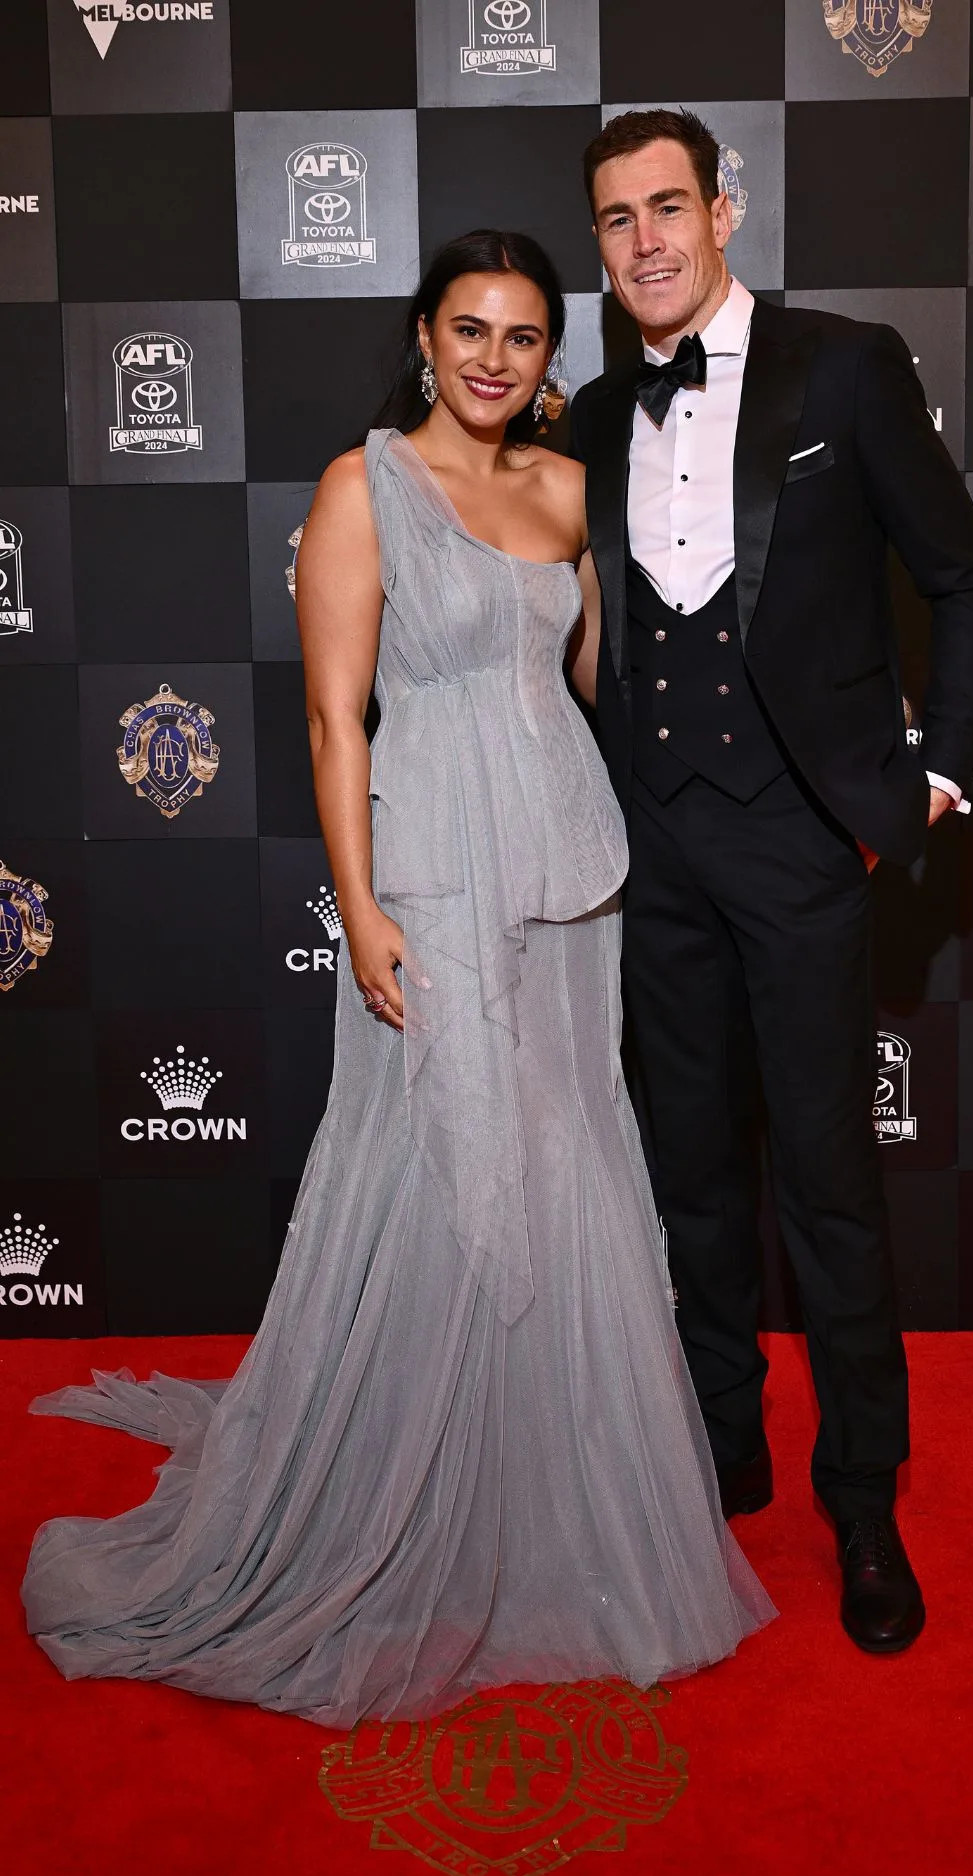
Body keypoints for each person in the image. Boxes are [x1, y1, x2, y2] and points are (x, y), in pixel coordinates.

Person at [21, 230, 773, 1728]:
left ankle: (545, 1495)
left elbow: (594, 697)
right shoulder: (363, 492)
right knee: (449, 1165)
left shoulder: (568, 492)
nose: (495, 357)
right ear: (422, 337)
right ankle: (407, 1496)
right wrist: (359, 907)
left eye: (522, 335)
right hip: (433, 870)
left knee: (567, 1166)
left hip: (571, 873)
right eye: (467, 329)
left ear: (548, 356)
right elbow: (332, 721)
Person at [569, 111, 973, 1654]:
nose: (646, 243)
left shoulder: (845, 367)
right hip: (651, 850)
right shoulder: (589, 414)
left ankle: (864, 1499)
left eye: (668, 208)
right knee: (688, 1173)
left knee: (826, 1184)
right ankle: (722, 1446)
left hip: (806, 845)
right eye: (616, 221)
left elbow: (961, 576)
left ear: (724, 211)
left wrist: (935, 772)